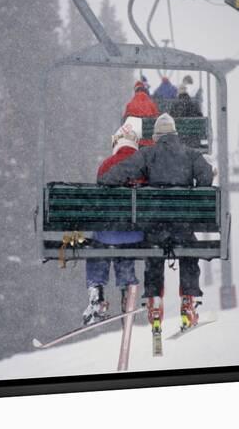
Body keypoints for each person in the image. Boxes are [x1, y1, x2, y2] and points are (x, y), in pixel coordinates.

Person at [97, 113, 214, 330]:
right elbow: (206, 175)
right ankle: (189, 299)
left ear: (156, 136)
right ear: (175, 134)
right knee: (189, 254)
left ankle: (153, 300)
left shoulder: (147, 154)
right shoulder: (191, 154)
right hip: (182, 227)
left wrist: (105, 179)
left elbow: (122, 172)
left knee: (154, 254)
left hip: (155, 225)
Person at [83, 117, 145, 326]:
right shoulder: (144, 163)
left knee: (100, 244)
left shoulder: (106, 165)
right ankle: (127, 288)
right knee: (126, 242)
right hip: (136, 234)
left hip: (108, 232)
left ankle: (96, 291)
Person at [123, 81, 159, 147]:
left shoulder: (130, 105)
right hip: (150, 141)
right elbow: (157, 119)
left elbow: (125, 122)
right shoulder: (151, 104)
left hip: (134, 141)